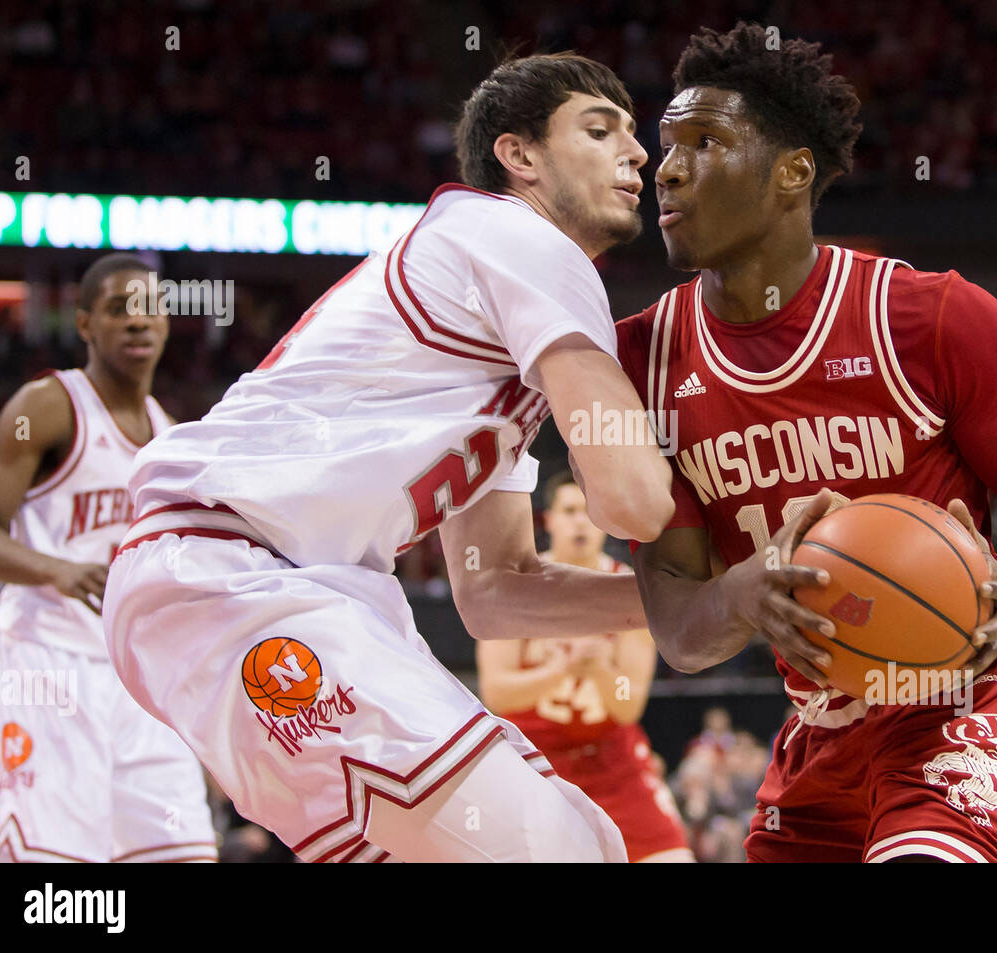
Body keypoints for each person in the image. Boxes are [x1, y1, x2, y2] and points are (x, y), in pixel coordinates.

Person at [101, 53, 674, 863]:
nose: (640, 151)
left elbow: (497, 591)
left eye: (630, 130)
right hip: (230, 571)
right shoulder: (521, 239)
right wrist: (730, 579)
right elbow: (635, 503)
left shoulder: (500, 328)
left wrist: (674, 607)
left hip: (281, 589)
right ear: (521, 157)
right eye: (599, 127)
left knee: (586, 843)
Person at [615, 24, 997, 863]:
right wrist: (743, 594)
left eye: (704, 141)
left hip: (973, 691)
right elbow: (681, 634)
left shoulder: (930, 319)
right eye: (665, 145)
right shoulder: (641, 364)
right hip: (826, 723)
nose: (667, 167)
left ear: (792, 173)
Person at [0, 253, 217, 863]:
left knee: (183, 853)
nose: (137, 323)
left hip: (136, 682)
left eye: (148, 310)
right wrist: (53, 568)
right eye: (117, 310)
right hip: (45, 667)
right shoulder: (48, 405)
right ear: (84, 324)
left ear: (165, 323)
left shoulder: (171, 437)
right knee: (51, 880)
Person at [477, 470, 692, 862]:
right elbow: (496, 692)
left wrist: (598, 670)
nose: (580, 521)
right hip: (533, 759)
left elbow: (628, 706)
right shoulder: (516, 588)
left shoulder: (631, 591)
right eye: (570, 510)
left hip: (612, 759)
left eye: (589, 513)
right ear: (550, 520)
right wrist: (560, 670)